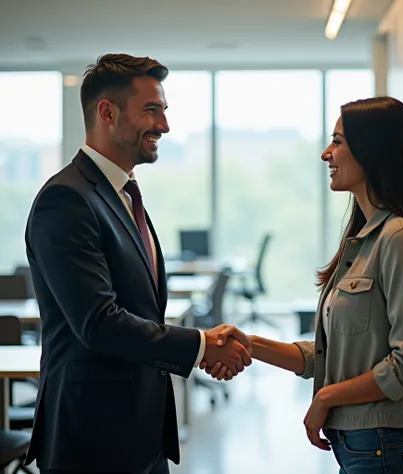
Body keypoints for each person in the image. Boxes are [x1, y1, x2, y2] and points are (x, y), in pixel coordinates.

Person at [202, 96, 403, 473]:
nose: (327, 154)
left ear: (373, 152)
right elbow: (332, 354)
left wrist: (326, 397)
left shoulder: (400, 239)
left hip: (387, 449)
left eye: (337, 142)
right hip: (363, 449)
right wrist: (251, 344)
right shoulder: (366, 239)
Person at [24, 53, 251, 474]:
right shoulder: (67, 199)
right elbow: (99, 322)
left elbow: (139, 309)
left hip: (140, 433)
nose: (164, 126)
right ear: (107, 113)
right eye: (151, 110)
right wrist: (201, 346)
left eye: (164, 111)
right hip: (93, 440)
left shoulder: (122, 195)